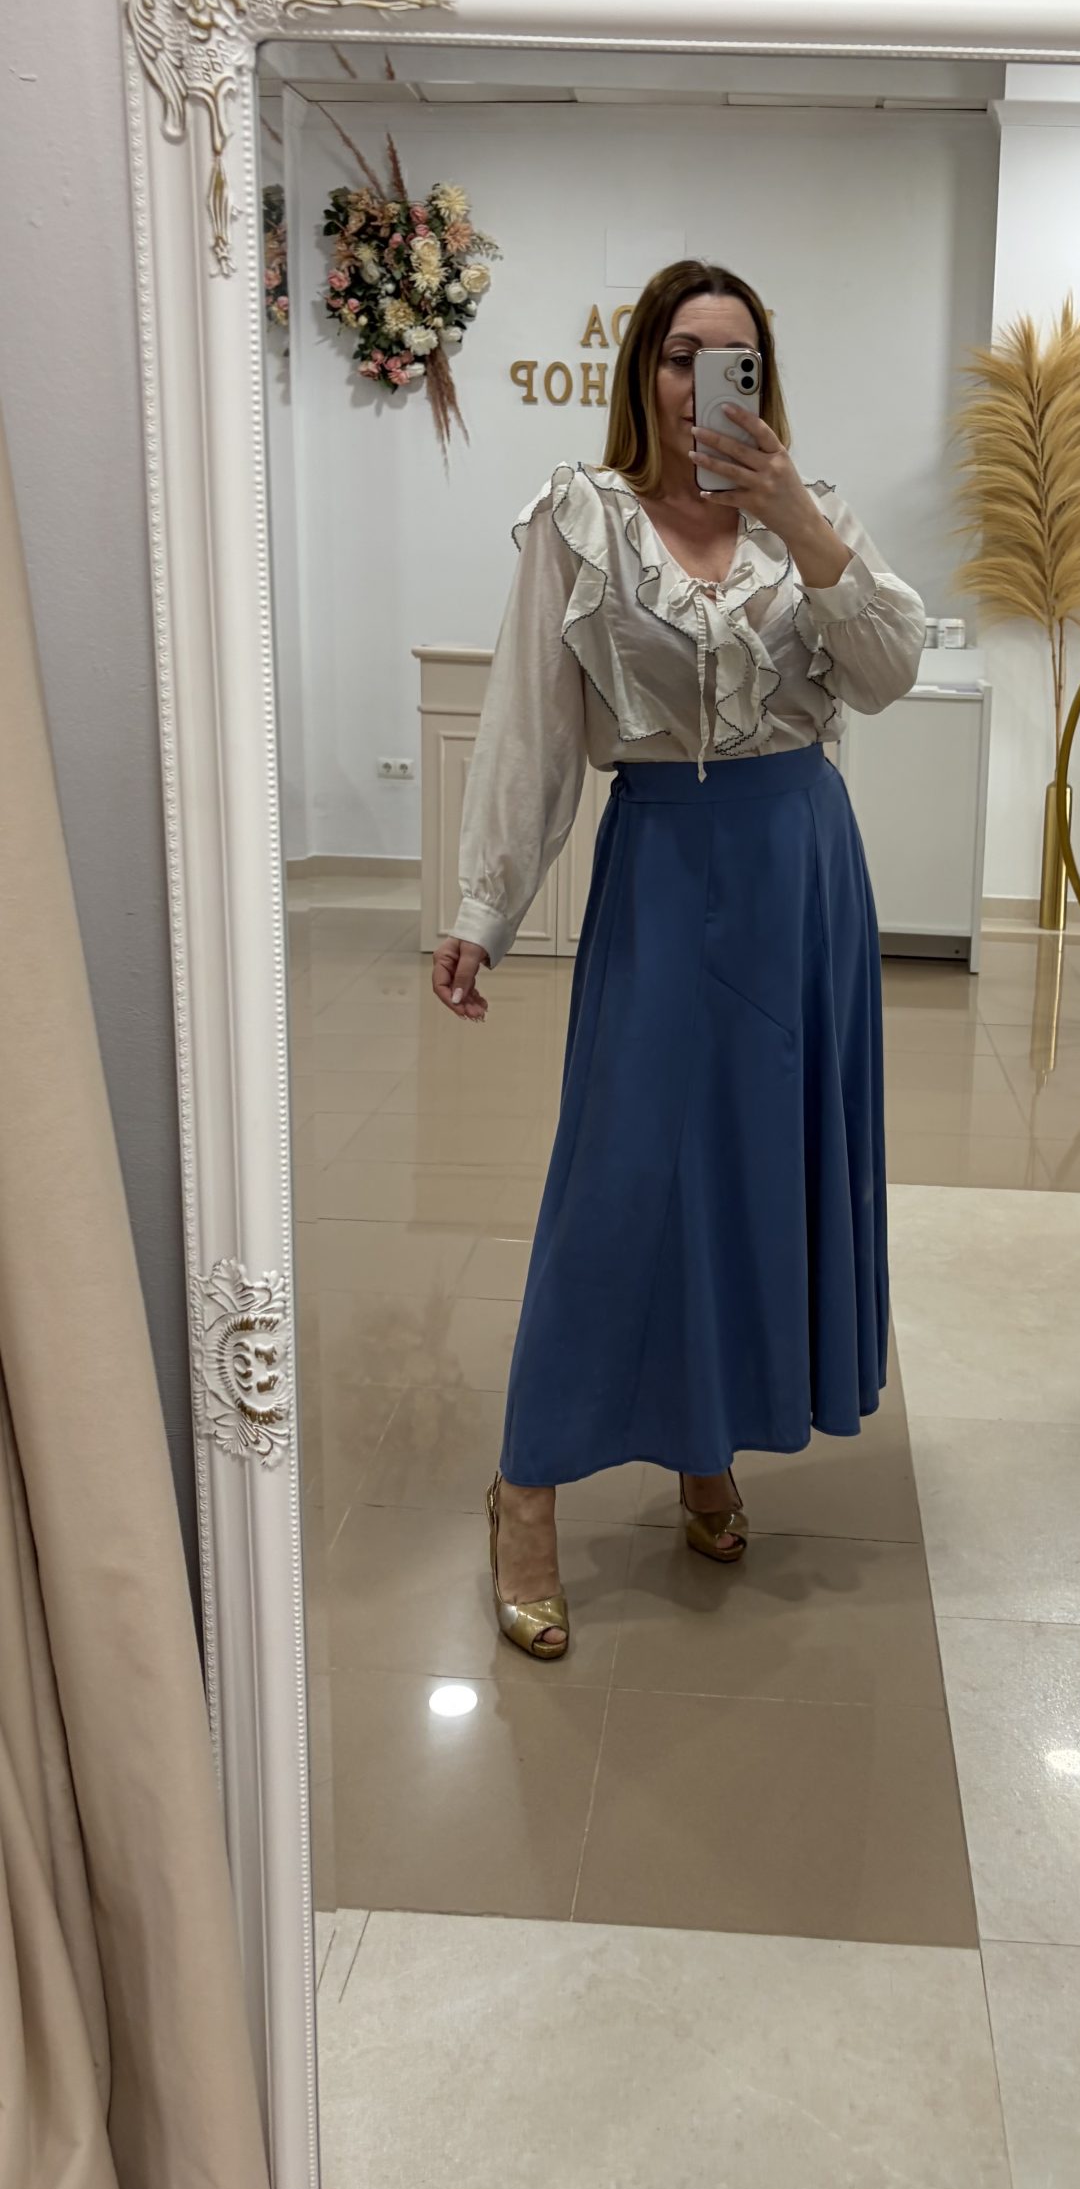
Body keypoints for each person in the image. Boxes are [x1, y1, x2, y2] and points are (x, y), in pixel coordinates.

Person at [432, 259, 925, 1657]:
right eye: (680, 354)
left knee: (757, 1172)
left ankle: (707, 1448)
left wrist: (798, 518)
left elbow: (888, 672)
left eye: (734, 356)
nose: (704, 381)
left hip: (801, 874)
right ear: (642, 370)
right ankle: (527, 1488)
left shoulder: (810, 518)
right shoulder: (582, 520)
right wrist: (482, 906)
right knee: (623, 1179)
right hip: (662, 870)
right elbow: (533, 724)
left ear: (762, 379)